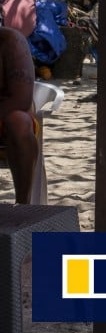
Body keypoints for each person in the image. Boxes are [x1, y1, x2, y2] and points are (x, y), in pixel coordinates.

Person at [0, 23, 45, 204]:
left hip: (5, 117)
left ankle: (23, 204)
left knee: (19, 121)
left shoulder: (11, 41)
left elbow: (21, 100)